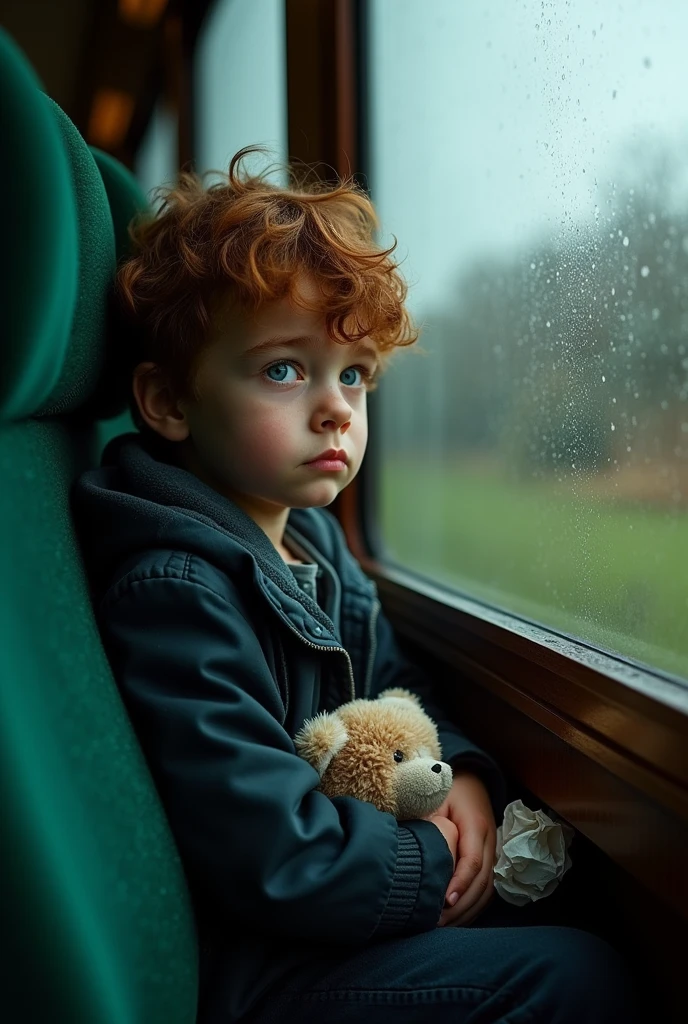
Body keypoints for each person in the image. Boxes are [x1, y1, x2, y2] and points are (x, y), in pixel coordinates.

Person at [73, 146, 637, 1024]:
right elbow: (272, 852)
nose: (337, 406)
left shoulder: (316, 546)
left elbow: (401, 689)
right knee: (574, 978)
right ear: (169, 403)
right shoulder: (176, 591)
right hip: (259, 969)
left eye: (355, 375)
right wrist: (431, 858)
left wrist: (468, 779)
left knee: (592, 919)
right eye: (283, 369)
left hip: (335, 915)